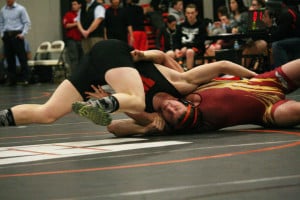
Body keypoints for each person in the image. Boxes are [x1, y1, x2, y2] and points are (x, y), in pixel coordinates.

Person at [0, 39, 256, 127]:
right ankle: (103, 105)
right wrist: (258, 79)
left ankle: (3, 117)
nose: (169, 109)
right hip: (114, 52)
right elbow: (221, 66)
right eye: (177, 109)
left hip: (97, 68)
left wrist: (109, 99)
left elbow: (117, 128)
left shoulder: (147, 113)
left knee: (48, 114)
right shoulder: (180, 83)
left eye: (170, 116)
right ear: (183, 102)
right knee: (132, 96)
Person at [93, 58, 300, 136]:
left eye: (171, 109)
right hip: (268, 112)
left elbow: (222, 65)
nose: (170, 109)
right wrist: (146, 128)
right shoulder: (168, 124)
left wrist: (256, 78)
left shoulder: (184, 88)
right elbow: (115, 128)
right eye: (173, 114)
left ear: (186, 102)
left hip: (265, 81)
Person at [0, 0, 31, 86]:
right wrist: (2, 34)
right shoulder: (3, 10)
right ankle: (12, 80)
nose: (8, 1)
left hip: (17, 35)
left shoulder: (20, 9)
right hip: (7, 36)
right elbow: (1, 23)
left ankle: (26, 79)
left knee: (22, 57)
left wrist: (23, 34)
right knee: (10, 59)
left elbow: (27, 22)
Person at [173, 3, 207, 70]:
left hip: (196, 49)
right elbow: (176, 39)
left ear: (196, 13)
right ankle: (172, 76)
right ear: (185, 14)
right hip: (182, 49)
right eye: (188, 13)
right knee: (169, 54)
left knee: (189, 52)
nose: (190, 15)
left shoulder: (201, 25)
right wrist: (176, 49)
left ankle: (188, 73)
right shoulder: (181, 26)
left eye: (192, 13)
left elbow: (200, 42)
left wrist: (187, 47)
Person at [62, 0, 83, 73]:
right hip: (72, 40)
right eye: (72, 4)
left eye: (75, 4)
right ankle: (74, 76)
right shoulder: (68, 14)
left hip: (82, 39)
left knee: (83, 58)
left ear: (80, 5)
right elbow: (66, 25)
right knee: (74, 58)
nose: (73, 6)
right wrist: (77, 24)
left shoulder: (83, 14)